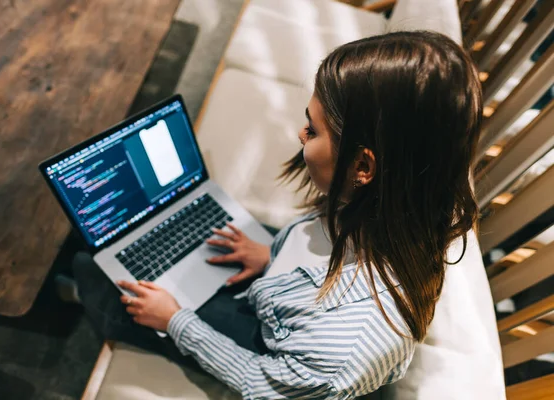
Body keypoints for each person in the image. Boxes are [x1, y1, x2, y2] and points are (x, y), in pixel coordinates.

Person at [73, 30, 483, 399]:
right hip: (286, 304)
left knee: (96, 272)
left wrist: (176, 320)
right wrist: (272, 256)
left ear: (363, 168)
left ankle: (77, 285)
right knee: (164, 242)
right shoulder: (402, 203)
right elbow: (321, 256)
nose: (300, 135)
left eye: (313, 130)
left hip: (277, 350)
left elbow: (260, 382)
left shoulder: (342, 348)